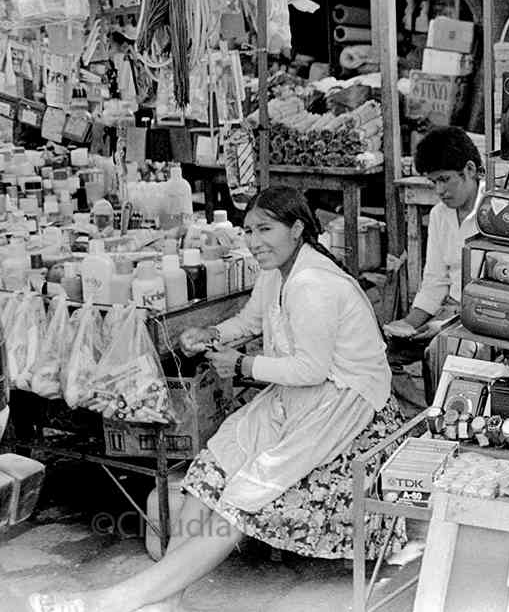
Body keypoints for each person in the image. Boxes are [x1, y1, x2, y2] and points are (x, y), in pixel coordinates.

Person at [29, 187, 399, 612]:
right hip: (299, 396)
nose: (254, 241)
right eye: (248, 230)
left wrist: (242, 366)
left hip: (341, 403)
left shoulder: (313, 283)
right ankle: (166, 599)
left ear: (297, 229)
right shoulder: (276, 271)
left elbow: (311, 370)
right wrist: (213, 335)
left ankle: (113, 600)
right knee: (210, 469)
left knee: (243, 496)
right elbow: (253, 319)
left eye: (266, 229)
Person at [384, 126, 486, 401]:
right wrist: (408, 324)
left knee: (439, 351)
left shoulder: (497, 212)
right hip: (447, 313)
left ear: (470, 170)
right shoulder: (440, 215)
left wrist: (446, 325)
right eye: (433, 183)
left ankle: (442, 415)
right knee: (381, 354)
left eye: (445, 179)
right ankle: (422, 413)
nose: (439, 190)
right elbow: (434, 281)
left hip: (484, 318)